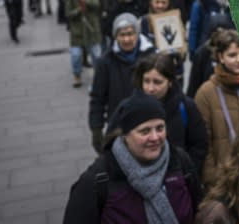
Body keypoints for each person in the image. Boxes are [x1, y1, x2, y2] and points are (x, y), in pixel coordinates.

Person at [64, 92, 202, 223]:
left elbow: (198, 209)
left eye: (160, 128)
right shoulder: (96, 181)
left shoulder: (180, 161)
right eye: (145, 131)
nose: (155, 137)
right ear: (125, 135)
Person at [107, 53, 209, 174]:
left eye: (157, 82)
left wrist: (186, 173)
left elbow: (199, 145)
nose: (150, 88)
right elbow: (111, 144)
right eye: (146, 81)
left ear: (170, 82)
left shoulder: (186, 107)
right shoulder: (127, 108)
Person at [194, 28, 239, 188]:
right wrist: (213, 177)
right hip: (224, 178)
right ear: (220, 57)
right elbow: (204, 141)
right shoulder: (206, 93)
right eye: (232, 55)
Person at [89, 13, 157, 154]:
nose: (126, 39)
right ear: (115, 36)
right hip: (119, 126)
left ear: (137, 34)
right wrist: (96, 128)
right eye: (122, 35)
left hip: (149, 123)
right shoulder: (106, 62)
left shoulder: (152, 56)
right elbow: (97, 97)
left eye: (130, 34)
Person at [63, 0, 103, 88]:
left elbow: (97, 5)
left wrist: (85, 1)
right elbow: (68, 14)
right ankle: (77, 75)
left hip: (91, 30)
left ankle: (98, 75)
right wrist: (78, 9)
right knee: (76, 55)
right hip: (77, 32)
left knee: (96, 55)